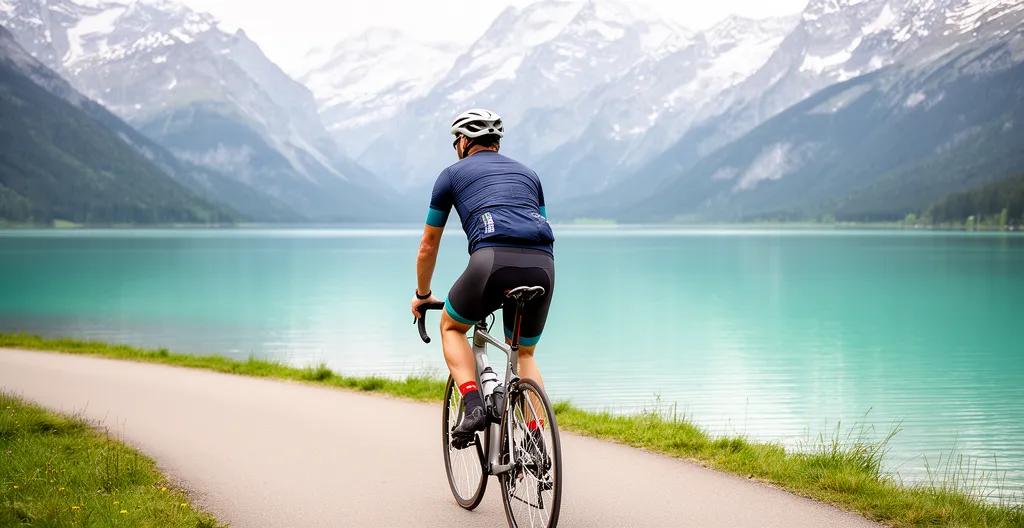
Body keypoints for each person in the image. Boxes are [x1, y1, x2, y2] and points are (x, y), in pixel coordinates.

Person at [411, 108, 555, 441]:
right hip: (543, 265)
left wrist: (422, 294)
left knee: (451, 325)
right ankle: (536, 441)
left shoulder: (451, 175)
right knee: (524, 353)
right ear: (496, 142)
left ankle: (473, 403)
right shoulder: (530, 175)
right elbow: (540, 223)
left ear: (463, 141)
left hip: (490, 263)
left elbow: (427, 246)